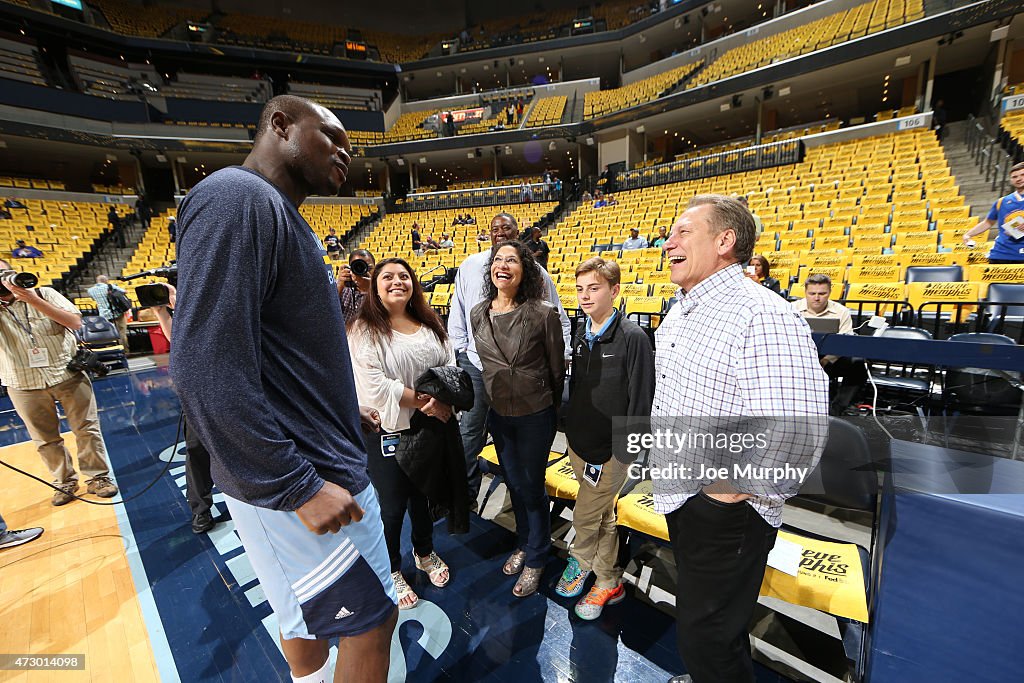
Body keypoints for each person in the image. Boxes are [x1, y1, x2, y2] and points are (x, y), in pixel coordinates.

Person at [170, 95, 397, 683]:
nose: (347, 154)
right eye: (333, 136)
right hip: (301, 480)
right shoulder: (236, 198)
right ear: (280, 125)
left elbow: (280, 355)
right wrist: (297, 486)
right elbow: (204, 366)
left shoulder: (272, 212)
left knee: (305, 624)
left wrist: (344, 412)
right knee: (370, 621)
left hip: (308, 461)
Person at [654, 195, 827, 683]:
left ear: (724, 241)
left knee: (706, 637)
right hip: (686, 496)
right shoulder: (682, 310)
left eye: (684, 231)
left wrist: (723, 497)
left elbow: (796, 429)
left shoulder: (761, 314)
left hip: (726, 511)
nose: (669, 242)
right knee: (710, 626)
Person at [348, 258, 455, 611]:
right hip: (387, 428)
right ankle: (392, 567)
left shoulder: (429, 322)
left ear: (413, 284)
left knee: (424, 498)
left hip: (429, 426)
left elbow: (449, 364)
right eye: (388, 277)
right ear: (375, 287)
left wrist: (442, 400)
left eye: (404, 276)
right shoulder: (363, 329)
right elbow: (374, 385)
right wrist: (427, 401)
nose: (397, 282)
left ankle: (424, 552)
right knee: (392, 506)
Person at [447, 212, 570, 507]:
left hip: (522, 377)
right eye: (495, 229)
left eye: (507, 228)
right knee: (470, 434)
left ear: (518, 232)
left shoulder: (536, 273)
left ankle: (526, 511)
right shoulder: (470, 266)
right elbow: (458, 315)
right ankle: (466, 500)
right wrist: (463, 352)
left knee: (519, 446)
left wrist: (551, 370)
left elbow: (559, 319)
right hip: (477, 367)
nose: (500, 232)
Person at [556, 257, 654, 619]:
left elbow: (641, 397)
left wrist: (629, 452)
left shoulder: (633, 337)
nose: (584, 295)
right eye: (580, 289)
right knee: (602, 516)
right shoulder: (581, 330)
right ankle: (609, 579)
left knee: (585, 515)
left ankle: (579, 562)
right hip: (580, 442)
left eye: (593, 288)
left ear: (614, 291)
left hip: (613, 450)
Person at [471, 240, 564, 597]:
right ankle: (525, 543)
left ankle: (538, 557)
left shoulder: (543, 313)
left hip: (535, 415)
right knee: (514, 483)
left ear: (524, 270)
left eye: (512, 260)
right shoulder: (479, 312)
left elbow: (557, 370)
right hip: (499, 414)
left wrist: (549, 410)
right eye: (498, 260)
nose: (503, 265)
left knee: (531, 485)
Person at [0, 261, 119, 506]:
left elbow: (75, 323)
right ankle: (64, 481)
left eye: (5, 273)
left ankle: (98, 477)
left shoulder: (45, 293)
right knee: (45, 439)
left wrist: (32, 300)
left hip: (67, 373)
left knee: (86, 428)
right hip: (22, 382)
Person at [150, 283, 218, 534]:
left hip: (233, 384)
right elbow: (177, 339)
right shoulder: (188, 307)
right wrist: (161, 312)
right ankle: (200, 509)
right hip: (199, 390)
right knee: (197, 451)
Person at [794, 273, 868, 416]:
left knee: (858, 364)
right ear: (805, 293)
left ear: (829, 293)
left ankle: (837, 408)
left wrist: (827, 359)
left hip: (830, 359)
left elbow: (846, 341)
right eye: (812, 293)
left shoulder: (841, 311)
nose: (816, 297)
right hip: (799, 360)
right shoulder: (792, 308)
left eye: (822, 293)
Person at [962, 161, 1024, 263]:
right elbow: (988, 222)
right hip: (1001, 254)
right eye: (1014, 177)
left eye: (1022, 175)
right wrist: (968, 235)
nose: (1019, 179)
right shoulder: (1001, 202)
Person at [87, 275, 130, 348]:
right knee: (121, 332)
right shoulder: (110, 286)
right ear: (106, 280)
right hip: (117, 312)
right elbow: (125, 292)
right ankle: (124, 350)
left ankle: (111, 349)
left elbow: (93, 299)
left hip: (103, 315)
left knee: (108, 333)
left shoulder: (90, 290)